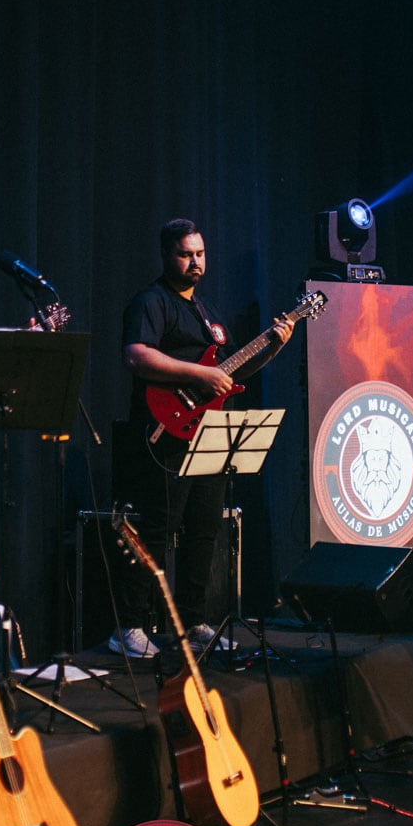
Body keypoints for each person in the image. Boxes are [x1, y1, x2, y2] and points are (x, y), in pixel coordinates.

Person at [112, 218, 292, 658]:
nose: (195, 262)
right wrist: (199, 374)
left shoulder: (208, 313)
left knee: (204, 530)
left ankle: (193, 622)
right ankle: (130, 627)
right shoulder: (151, 302)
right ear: (167, 255)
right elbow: (136, 355)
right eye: (185, 254)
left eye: (200, 253)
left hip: (207, 433)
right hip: (166, 431)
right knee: (157, 530)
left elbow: (230, 372)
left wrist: (274, 346)